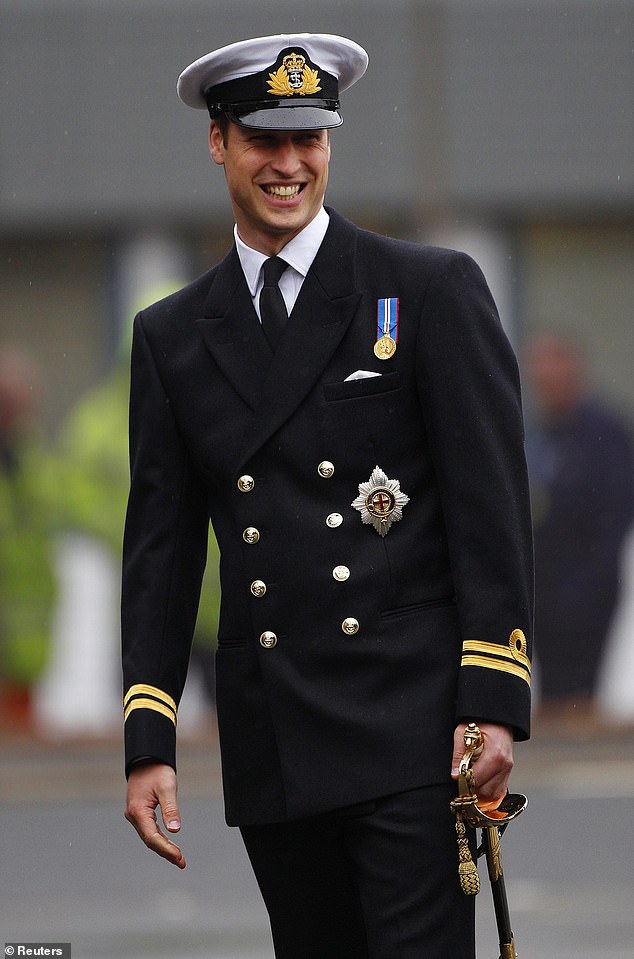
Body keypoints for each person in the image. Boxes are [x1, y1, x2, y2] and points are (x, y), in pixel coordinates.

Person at [122, 33, 533, 959]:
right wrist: (148, 736)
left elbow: (490, 511)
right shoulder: (174, 334)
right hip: (279, 734)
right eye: (265, 138)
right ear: (219, 142)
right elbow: (162, 546)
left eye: (309, 137)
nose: (289, 163)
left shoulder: (425, 291)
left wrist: (494, 698)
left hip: (412, 728)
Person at [525, 332, 634, 724]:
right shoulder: (541, 435)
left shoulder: (604, 433)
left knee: (581, 693)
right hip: (545, 589)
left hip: (588, 587)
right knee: (553, 692)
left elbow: (617, 512)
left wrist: (591, 579)